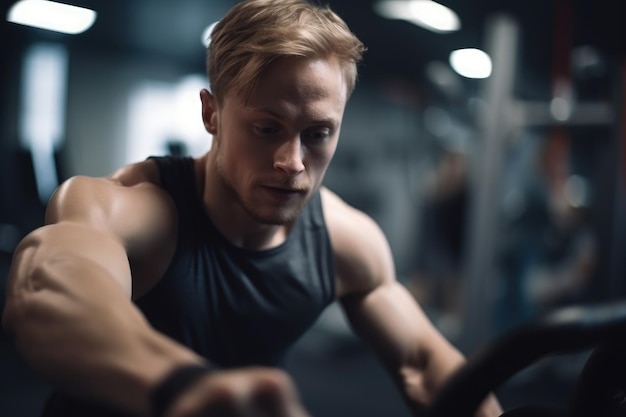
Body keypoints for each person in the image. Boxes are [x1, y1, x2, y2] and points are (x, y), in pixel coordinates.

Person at [2, 0, 502, 416]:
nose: (292, 162)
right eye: (268, 129)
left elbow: (423, 366)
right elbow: (46, 296)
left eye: (318, 134)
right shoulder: (134, 209)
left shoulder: (347, 240)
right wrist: (185, 387)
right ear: (211, 113)